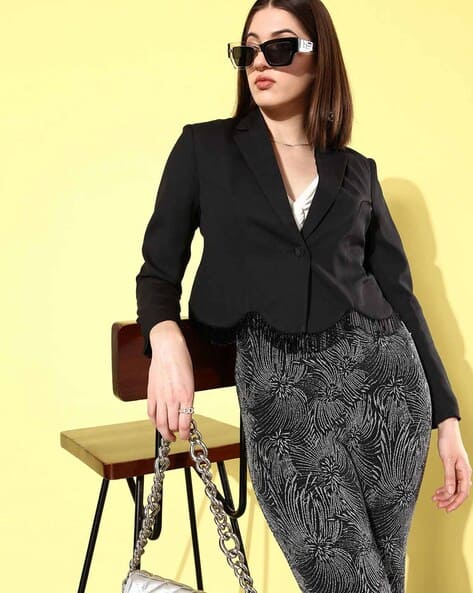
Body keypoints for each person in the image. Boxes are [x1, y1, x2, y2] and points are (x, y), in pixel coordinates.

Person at [135, 1, 472, 592]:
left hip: (386, 392)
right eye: (249, 49)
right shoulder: (204, 149)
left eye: (281, 47)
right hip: (280, 395)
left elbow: (401, 295)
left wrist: (447, 419)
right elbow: (158, 272)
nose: (260, 61)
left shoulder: (357, 171)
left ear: (320, 61)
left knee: (385, 579)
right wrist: (164, 338)